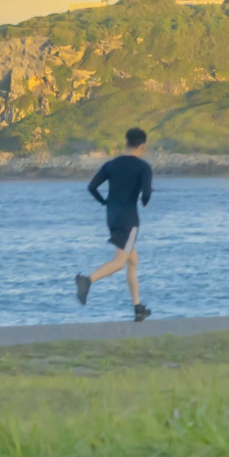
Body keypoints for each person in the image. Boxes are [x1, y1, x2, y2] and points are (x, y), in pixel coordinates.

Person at [75, 126, 153, 321]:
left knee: (132, 260)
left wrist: (104, 202)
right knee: (119, 262)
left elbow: (92, 187)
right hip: (129, 220)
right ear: (142, 146)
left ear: (126, 142)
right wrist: (146, 194)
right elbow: (145, 199)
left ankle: (138, 308)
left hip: (112, 217)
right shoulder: (143, 167)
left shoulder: (111, 165)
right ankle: (87, 280)